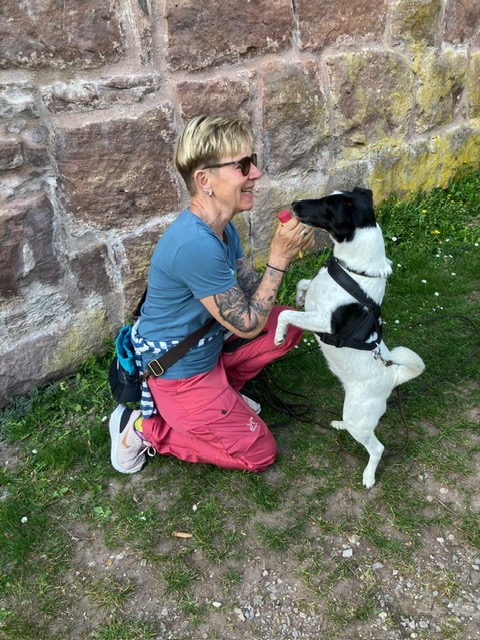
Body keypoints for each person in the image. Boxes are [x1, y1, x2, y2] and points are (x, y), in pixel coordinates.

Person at [108, 115, 315, 475]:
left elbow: (249, 294)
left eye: (252, 162)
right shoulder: (195, 244)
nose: (256, 174)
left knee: (288, 325)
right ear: (205, 180)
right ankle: (143, 428)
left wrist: (287, 254)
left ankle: (223, 395)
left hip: (209, 345)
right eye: (243, 166)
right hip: (180, 374)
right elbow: (248, 324)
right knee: (260, 454)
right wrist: (279, 259)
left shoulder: (222, 228)